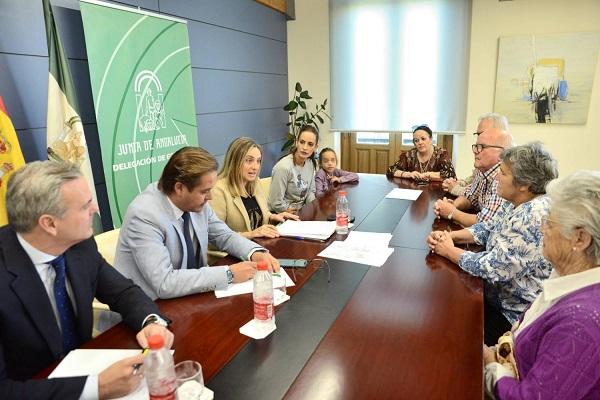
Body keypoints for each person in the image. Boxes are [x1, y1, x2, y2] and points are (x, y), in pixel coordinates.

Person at [0, 161, 173, 400]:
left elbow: (121, 292)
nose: (95, 209)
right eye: (85, 206)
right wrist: (98, 387)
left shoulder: (80, 244)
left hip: (86, 365)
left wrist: (151, 321)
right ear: (50, 223)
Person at [483, 170, 600, 399]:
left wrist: (491, 368)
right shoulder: (565, 276)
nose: (541, 229)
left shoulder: (582, 322)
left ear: (580, 239)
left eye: (549, 222)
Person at [427, 142, 557, 345]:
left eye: (503, 173)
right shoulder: (516, 200)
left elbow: (493, 267)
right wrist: (451, 236)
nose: (497, 177)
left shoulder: (533, 214)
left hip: (513, 316)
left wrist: (449, 251)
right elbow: (488, 228)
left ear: (524, 183)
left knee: (446, 331)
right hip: (495, 297)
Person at [114, 146, 280, 300]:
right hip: (148, 310)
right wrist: (228, 274)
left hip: (190, 296)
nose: (210, 197)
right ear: (179, 188)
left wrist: (255, 252)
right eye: (204, 192)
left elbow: (224, 235)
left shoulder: (196, 203)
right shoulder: (144, 215)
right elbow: (164, 282)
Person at [210, 137, 298, 239]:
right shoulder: (218, 191)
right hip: (235, 253)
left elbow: (259, 215)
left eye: (258, 161)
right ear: (235, 161)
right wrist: (251, 234)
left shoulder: (255, 183)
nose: (255, 167)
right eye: (249, 160)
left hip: (260, 246)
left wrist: (272, 218)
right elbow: (214, 238)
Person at [433, 127, 514, 227]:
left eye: (482, 147)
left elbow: (486, 224)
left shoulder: (501, 177)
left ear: (502, 153)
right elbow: (471, 198)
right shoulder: (483, 171)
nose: (475, 151)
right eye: (476, 146)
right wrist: (453, 205)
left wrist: (451, 212)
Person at [443, 113, 510, 196]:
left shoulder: (506, 165)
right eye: (478, 134)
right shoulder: (485, 160)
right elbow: (476, 179)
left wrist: (454, 188)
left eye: (481, 133)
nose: (479, 137)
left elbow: (474, 195)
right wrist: (461, 182)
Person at [268, 125, 318, 213]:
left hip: (302, 213)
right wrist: (296, 213)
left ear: (315, 147)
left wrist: (313, 207)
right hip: (282, 215)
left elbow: (311, 191)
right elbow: (275, 203)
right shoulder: (283, 167)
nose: (305, 147)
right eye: (302, 142)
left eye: (310, 144)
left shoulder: (310, 163)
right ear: (296, 142)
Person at [386, 125, 456, 182]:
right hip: (414, 191)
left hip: (435, 193)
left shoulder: (441, 154)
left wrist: (428, 175)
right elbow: (391, 170)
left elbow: (450, 175)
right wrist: (408, 174)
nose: (420, 143)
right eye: (416, 140)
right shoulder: (409, 155)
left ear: (431, 139)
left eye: (423, 139)